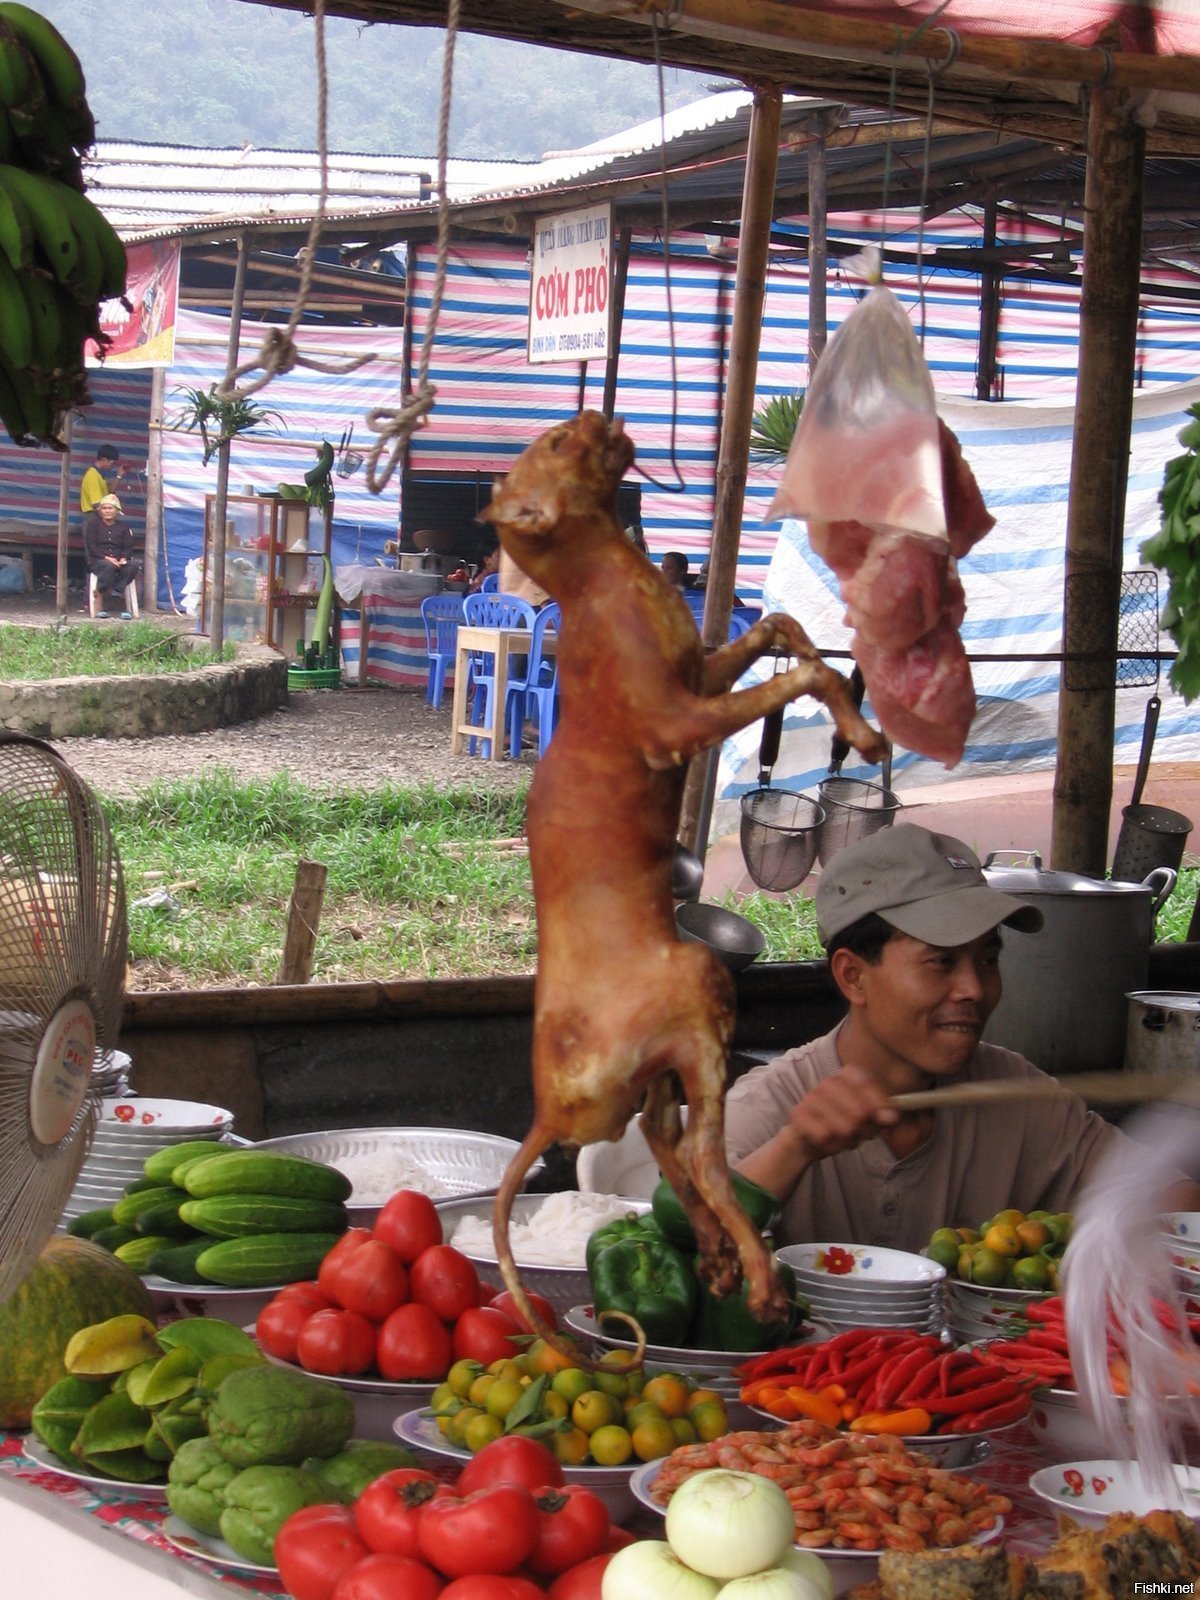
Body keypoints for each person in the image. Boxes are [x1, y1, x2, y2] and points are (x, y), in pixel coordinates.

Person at [725, 824, 1198, 1252]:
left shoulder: (1020, 1099)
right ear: (852, 976)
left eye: (988, 961)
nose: (974, 989)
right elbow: (681, 1245)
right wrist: (796, 1147)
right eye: (941, 961)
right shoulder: (768, 1107)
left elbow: (1180, 1208)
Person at [82, 494, 141, 618]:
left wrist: (123, 559)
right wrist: (107, 558)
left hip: (118, 560)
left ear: (117, 511)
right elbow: (91, 546)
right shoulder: (93, 525)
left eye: (110, 508)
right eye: (104, 508)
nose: (107, 511)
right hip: (99, 560)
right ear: (100, 511)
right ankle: (103, 594)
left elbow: (128, 546)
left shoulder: (123, 527)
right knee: (108, 566)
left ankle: (117, 591)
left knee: (133, 566)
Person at [80, 444, 121, 514]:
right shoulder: (93, 476)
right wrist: (111, 514)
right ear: (104, 460)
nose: (113, 466)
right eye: (113, 463)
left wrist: (120, 474)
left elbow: (111, 492)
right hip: (94, 515)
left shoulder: (98, 474)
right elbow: (97, 504)